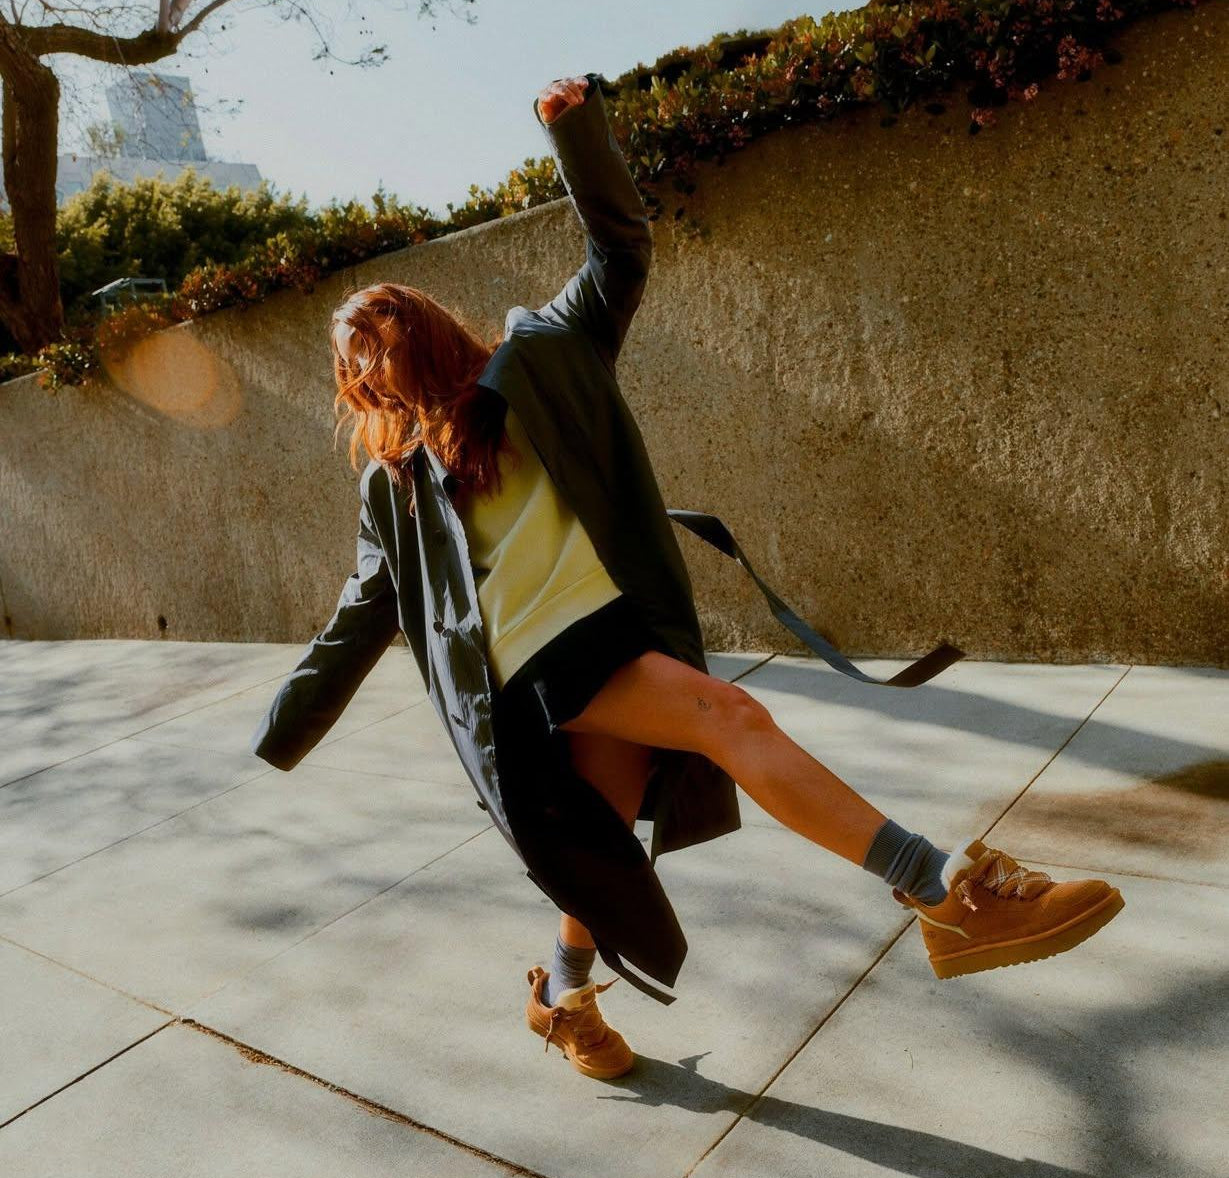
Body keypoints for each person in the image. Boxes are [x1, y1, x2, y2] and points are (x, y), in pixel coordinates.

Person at [308, 74, 1125, 1082]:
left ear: (422, 326)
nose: (370, 368)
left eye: (376, 339)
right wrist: (282, 729)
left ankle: (559, 996)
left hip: (609, 629)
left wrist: (576, 134)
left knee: (605, 841)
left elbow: (618, 251)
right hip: (532, 674)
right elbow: (362, 610)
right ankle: (942, 889)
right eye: (354, 362)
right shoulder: (395, 483)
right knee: (728, 717)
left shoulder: (543, 356)